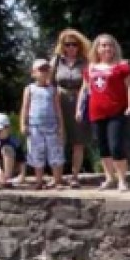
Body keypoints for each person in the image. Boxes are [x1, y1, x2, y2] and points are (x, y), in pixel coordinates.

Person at [80, 33, 130, 191]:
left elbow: (129, 87)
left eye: (109, 45)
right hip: (96, 111)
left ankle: (122, 180)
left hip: (116, 110)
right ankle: (109, 177)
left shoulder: (122, 66)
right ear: (97, 49)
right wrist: (79, 108)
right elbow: (85, 90)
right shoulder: (90, 68)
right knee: (102, 146)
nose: (106, 48)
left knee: (116, 145)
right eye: (103, 45)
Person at [51, 28, 92, 188]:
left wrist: (81, 106)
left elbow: (87, 84)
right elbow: (49, 80)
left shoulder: (85, 61)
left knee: (78, 141)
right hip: (59, 99)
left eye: (74, 44)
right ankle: (58, 176)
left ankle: (75, 176)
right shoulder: (56, 61)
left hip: (78, 99)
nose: (70, 48)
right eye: (67, 44)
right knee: (59, 139)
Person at [20, 58, 66, 190]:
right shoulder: (29, 89)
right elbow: (25, 107)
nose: (44, 72)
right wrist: (23, 124)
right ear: (33, 73)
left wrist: (61, 126)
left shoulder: (53, 89)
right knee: (36, 153)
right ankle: (39, 181)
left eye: (46, 69)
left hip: (52, 126)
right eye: (41, 70)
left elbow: (58, 108)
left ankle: (57, 181)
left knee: (55, 153)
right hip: (35, 127)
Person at [0, 113, 27, 188]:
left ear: (7, 128)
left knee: (7, 149)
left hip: (13, 167)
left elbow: (22, 161)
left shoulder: (15, 142)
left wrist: (22, 175)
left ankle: (7, 178)